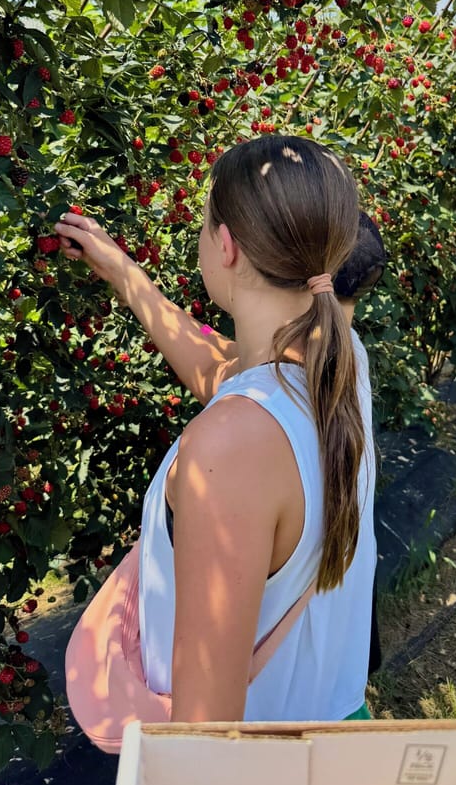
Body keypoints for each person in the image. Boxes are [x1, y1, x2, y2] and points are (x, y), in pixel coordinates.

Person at [56, 135, 377, 722]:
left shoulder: (229, 446)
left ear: (224, 245)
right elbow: (218, 369)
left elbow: (206, 736)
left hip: (253, 783)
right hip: (327, 736)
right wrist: (120, 271)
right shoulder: (339, 362)